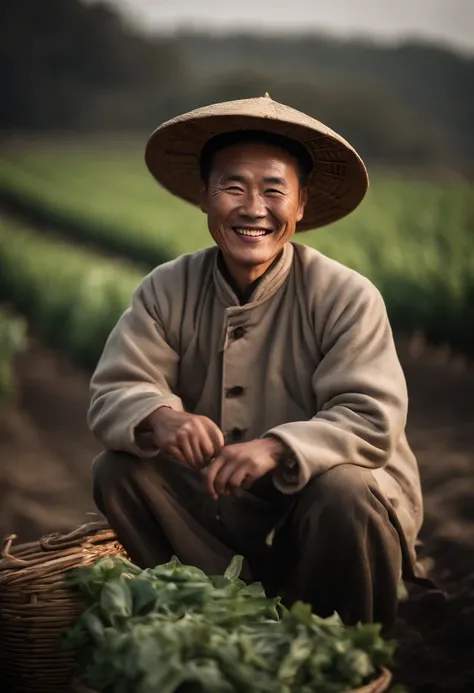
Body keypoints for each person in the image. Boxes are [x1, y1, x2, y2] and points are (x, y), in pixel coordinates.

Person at [88, 94, 425, 628]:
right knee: (118, 469)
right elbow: (115, 389)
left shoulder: (345, 295)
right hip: (219, 508)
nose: (253, 208)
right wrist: (159, 415)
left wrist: (277, 446)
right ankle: (211, 618)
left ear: (300, 205)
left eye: (274, 189)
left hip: (324, 509)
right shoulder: (167, 288)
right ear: (204, 196)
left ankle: (339, 647)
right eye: (233, 187)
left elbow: (372, 416)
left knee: (347, 490)